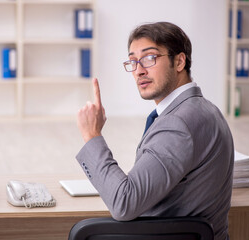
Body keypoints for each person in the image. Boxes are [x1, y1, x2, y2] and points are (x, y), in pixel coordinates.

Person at [76, 22, 234, 240]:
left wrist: (92, 136)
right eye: (133, 61)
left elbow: (124, 203)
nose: (139, 70)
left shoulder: (179, 123)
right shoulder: (204, 110)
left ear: (179, 61)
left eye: (149, 58)